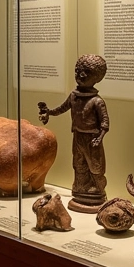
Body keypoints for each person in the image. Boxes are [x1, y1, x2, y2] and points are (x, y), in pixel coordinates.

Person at [38, 54, 109, 212]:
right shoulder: (74, 96)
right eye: (78, 70)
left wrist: (99, 137)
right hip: (77, 136)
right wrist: (49, 112)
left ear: (97, 77)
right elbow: (62, 108)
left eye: (86, 72)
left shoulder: (97, 101)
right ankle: (81, 188)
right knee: (79, 164)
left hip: (92, 138)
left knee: (95, 166)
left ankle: (97, 190)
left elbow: (105, 124)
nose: (80, 75)